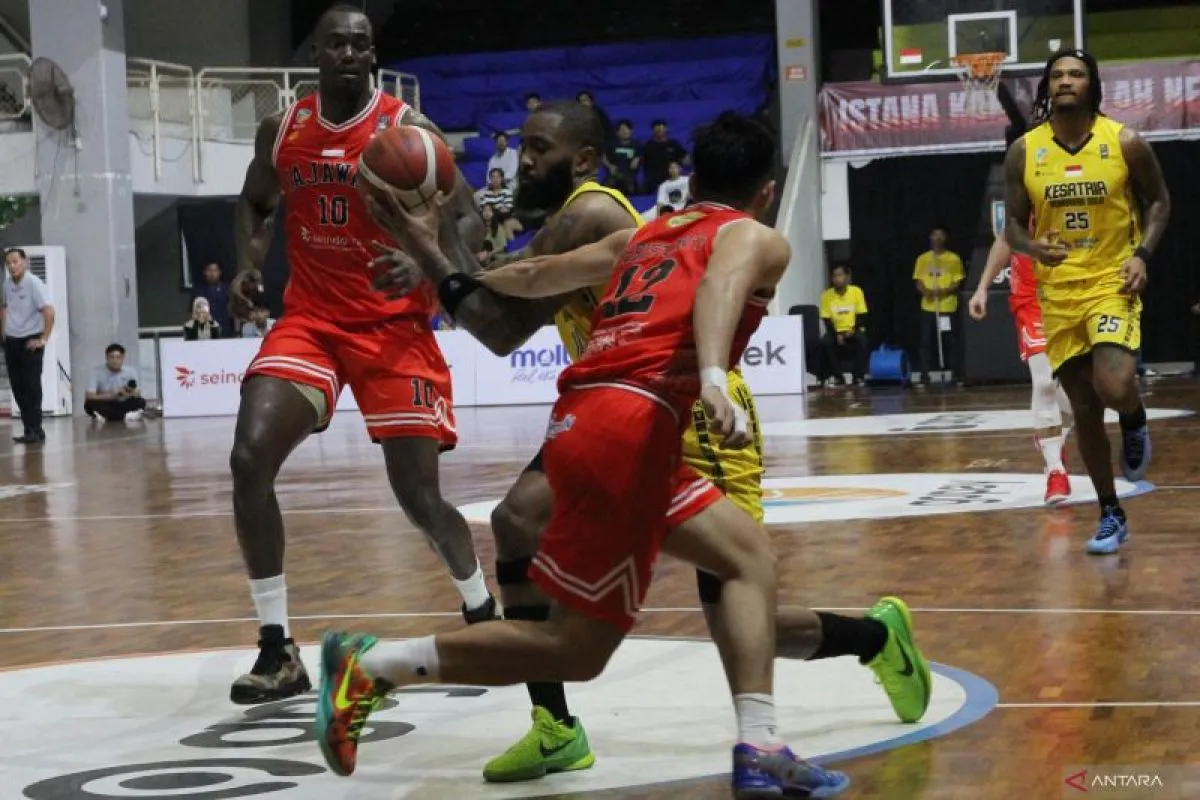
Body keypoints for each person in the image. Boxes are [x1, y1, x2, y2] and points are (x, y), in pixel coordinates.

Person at [367, 101, 930, 786]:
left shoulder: (614, 220)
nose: (527, 159)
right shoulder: (678, 230)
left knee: (728, 612)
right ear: (766, 191)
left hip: (677, 418)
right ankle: (567, 725)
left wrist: (438, 260)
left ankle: (873, 639)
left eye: (539, 147)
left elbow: (540, 292)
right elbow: (531, 277)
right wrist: (437, 261)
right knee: (533, 531)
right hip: (633, 409)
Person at [224, 4, 497, 706]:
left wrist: (428, 263)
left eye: (360, 44)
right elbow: (255, 202)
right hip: (311, 322)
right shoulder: (283, 129)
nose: (348, 53)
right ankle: (277, 649)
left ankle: (482, 614)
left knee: (419, 499)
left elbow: (468, 217)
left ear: (373, 55)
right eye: (335, 43)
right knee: (249, 459)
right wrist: (249, 263)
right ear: (315, 54)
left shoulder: (409, 132)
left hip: (393, 329)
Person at [1003, 48, 1170, 554]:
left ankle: (1134, 417)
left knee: (1114, 385)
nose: (1066, 81)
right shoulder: (1025, 151)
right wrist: (1033, 247)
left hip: (1111, 280)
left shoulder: (1124, 142)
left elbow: (1160, 202)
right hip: (1059, 290)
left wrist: (1142, 254)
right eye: (1057, 75)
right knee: (1083, 405)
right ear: (1047, 86)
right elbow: (1012, 226)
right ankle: (1110, 512)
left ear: (1092, 85)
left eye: (1076, 74)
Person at [969, 236, 1075, 504]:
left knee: (1081, 395)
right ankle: (1055, 471)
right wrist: (982, 288)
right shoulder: (1022, 209)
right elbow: (1006, 239)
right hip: (1032, 297)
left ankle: (1052, 437)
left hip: (1075, 292)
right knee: (1045, 382)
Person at [1, 247, 54, 444]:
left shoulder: (34, 283)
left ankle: (36, 428)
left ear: (25, 262)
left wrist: (43, 339)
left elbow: (49, 311)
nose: (12, 266)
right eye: (8, 263)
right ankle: (29, 428)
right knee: (18, 386)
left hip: (30, 340)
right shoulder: (7, 284)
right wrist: (4, 334)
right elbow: (5, 308)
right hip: (12, 340)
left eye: (15, 261)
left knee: (31, 386)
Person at [912, 228, 964, 385]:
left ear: (945, 239)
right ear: (930, 238)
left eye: (940, 236)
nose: (937, 239)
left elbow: (957, 281)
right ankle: (924, 375)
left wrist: (943, 291)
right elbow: (918, 280)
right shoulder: (923, 259)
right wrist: (926, 291)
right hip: (928, 307)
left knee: (950, 341)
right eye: (935, 236)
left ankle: (956, 374)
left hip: (947, 307)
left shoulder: (953, 259)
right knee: (925, 341)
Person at [818, 264, 869, 387]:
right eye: (834, 276)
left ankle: (858, 377)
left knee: (862, 340)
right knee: (826, 342)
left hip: (853, 329)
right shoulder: (826, 295)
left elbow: (861, 315)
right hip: (835, 331)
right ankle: (838, 377)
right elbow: (826, 319)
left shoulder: (856, 291)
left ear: (847, 277)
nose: (837, 279)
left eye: (840, 275)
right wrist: (837, 334)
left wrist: (852, 330)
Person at [84, 343, 147, 422]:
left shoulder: (130, 371)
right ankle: (124, 416)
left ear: (123, 358)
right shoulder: (96, 372)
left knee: (141, 401)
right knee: (89, 404)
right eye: (112, 357)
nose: (115, 361)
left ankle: (108, 417)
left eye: (118, 357)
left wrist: (126, 393)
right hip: (105, 402)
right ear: (106, 358)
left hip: (122, 403)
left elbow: (137, 393)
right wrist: (109, 394)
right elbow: (89, 396)